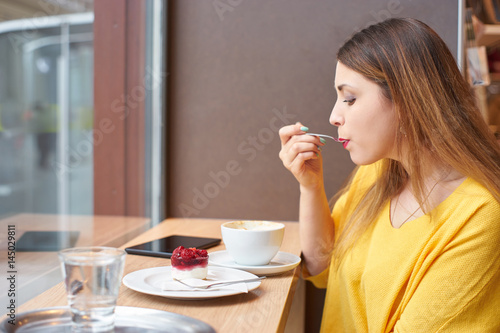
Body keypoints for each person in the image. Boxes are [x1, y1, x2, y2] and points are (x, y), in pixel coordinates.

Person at [279, 18, 500, 332]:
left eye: (350, 98)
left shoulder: (481, 216)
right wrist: (310, 186)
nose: (333, 116)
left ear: (408, 100)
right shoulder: (377, 173)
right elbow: (321, 266)